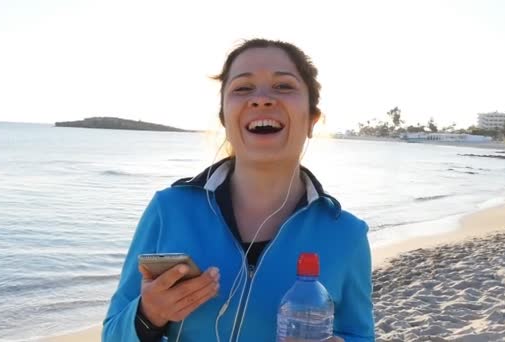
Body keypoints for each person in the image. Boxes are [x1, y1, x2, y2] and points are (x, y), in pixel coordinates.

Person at [102, 38, 374, 341]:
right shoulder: (169, 209)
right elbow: (112, 333)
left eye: (284, 86)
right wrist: (148, 316)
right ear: (225, 120)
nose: (261, 99)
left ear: (312, 120)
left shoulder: (346, 234)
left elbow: (359, 334)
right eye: (243, 88)